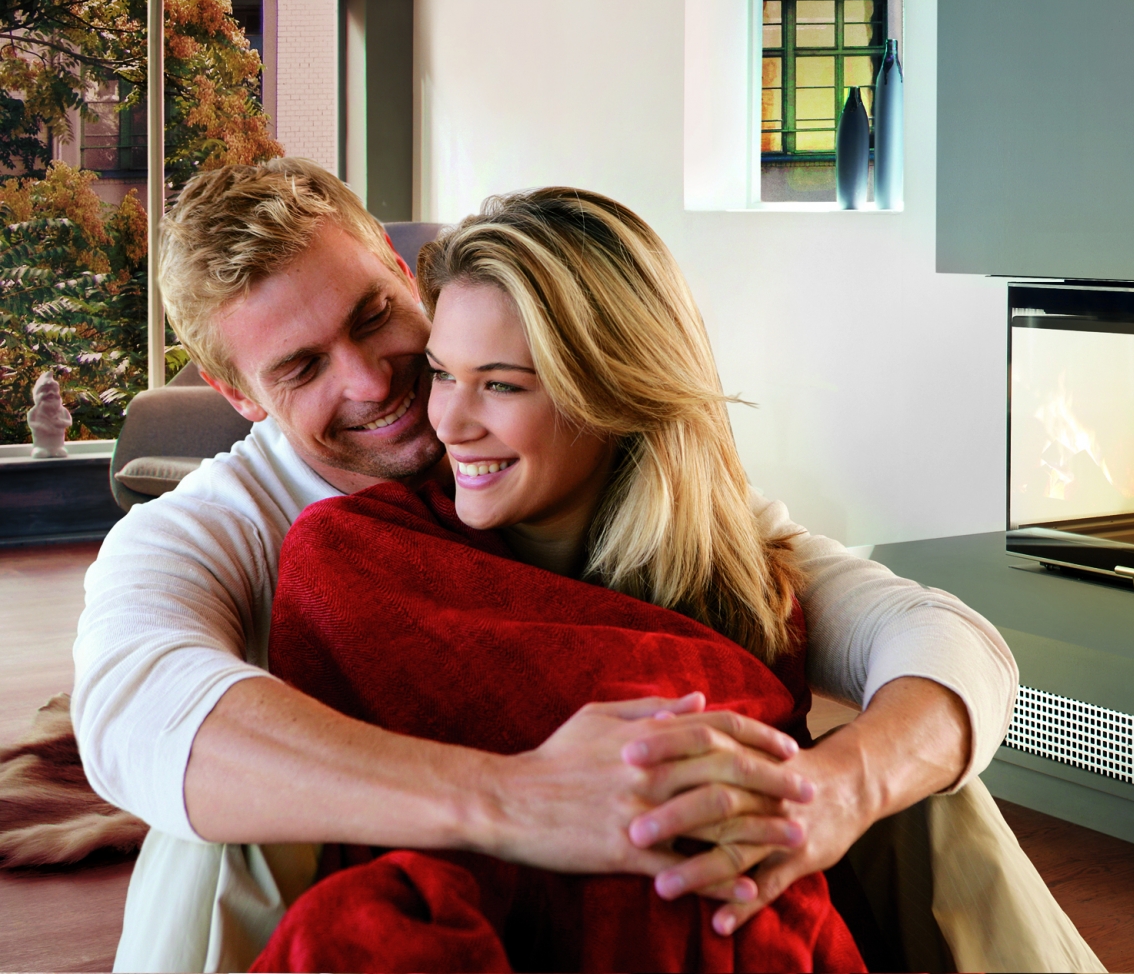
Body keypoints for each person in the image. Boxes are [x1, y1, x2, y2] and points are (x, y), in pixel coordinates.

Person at [73, 159, 1016, 972]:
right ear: (239, 394)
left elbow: (932, 636)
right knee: (214, 839)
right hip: (400, 878)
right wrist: (512, 800)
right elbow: (133, 711)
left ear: (402, 274)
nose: (372, 381)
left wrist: (841, 790)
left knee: (925, 779)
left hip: (654, 876)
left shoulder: (595, 460)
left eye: (373, 317)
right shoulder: (221, 525)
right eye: (301, 368)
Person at [254, 186, 876, 971]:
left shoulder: (745, 584)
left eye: (501, 384)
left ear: (613, 390)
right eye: (442, 374)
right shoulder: (353, 556)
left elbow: (941, 642)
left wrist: (849, 780)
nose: (448, 423)